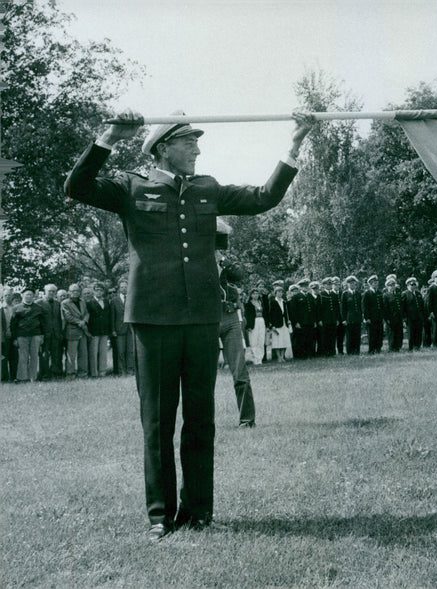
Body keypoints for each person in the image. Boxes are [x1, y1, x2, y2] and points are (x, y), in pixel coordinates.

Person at [64, 107, 313, 542]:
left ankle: (199, 513)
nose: (196, 148)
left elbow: (263, 197)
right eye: (187, 142)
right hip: (153, 320)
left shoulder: (207, 188)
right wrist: (110, 136)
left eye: (197, 142)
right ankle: (161, 515)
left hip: (201, 318)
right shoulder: (131, 186)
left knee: (200, 419)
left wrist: (295, 143)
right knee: (157, 421)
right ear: (162, 149)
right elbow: (77, 186)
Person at [216, 223, 256, 429]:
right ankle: (203, 422)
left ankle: (247, 420)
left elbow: (240, 275)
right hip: (206, 318)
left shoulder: (223, 262)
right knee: (202, 375)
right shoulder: (192, 259)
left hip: (230, 317)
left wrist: (222, 261)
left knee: (240, 371)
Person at [10, 289, 46, 382]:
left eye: (30, 295)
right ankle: (22, 378)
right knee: (23, 357)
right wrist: (15, 338)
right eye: (26, 295)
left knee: (34, 356)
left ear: (33, 296)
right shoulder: (16, 308)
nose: (28, 296)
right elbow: (13, 325)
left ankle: (33, 377)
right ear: (22, 296)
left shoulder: (38, 308)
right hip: (22, 335)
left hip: (36, 335)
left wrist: (42, 335)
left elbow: (43, 323)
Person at [61, 284, 89, 378]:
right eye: (73, 291)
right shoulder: (65, 303)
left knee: (83, 353)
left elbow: (86, 313)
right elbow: (67, 316)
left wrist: (84, 321)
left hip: (83, 330)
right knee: (71, 355)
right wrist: (79, 322)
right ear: (69, 292)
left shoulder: (82, 302)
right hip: (72, 331)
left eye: (77, 291)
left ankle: (83, 373)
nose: (75, 293)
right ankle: (70, 373)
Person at [86, 282, 112, 377]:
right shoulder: (89, 303)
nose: (99, 292)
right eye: (97, 290)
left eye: (101, 290)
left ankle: (102, 371)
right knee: (93, 352)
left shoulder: (106, 302)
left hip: (104, 330)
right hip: (94, 331)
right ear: (93, 291)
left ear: (103, 292)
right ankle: (94, 372)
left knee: (103, 352)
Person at [38, 284, 64, 379]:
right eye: (50, 291)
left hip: (56, 333)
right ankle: (44, 374)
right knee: (44, 355)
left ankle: (55, 373)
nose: (51, 293)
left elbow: (59, 319)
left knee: (56, 354)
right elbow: (38, 320)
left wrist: (60, 332)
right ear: (45, 291)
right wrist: (40, 334)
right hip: (44, 333)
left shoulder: (57, 303)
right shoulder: (39, 303)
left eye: (53, 291)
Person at [110, 279, 135, 376]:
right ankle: (122, 371)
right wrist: (113, 330)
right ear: (119, 288)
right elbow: (112, 316)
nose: (124, 289)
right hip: (119, 329)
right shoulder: (114, 300)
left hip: (130, 329)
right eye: (122, 287)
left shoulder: (132, 298)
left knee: (130, 351)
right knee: (120, 351)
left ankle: (130, 370)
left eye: (125, 287)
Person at [266, 282, 292, 361]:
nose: (280, 293)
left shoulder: (284, 302)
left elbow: (286, 313)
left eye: (281, 292)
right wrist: (272, 325)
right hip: (276, 324)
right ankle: (279, 357)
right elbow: (270, 314)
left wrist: (288, 321)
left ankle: (283, 356)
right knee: (277, 341)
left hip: (284, 323)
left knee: (284, 340)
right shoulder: (273, 302)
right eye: (278, 292)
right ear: (275, 293)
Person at [400, 277, 424, 350]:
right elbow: (402, 307)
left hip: (418, 317)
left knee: (418, 332)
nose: (413, 286)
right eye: (411, 284)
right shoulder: (405, 294)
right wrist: (404, 318)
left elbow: (422, 306)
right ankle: (411, 347)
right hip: (410, 317)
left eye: (414, 284)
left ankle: (417, 346)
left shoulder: (418, 293)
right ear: (407, 285)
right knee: (411, 333)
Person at [362, 274, 384, 354]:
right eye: (374, 283)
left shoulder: (379, 293)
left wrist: (382, 316)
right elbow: (365, 307)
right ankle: (371, 350)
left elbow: (381, 305)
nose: (376, 284)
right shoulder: (367, 294)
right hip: (371, 318)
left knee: (379, 334)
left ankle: (378, 349)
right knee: (372, 335)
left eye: (376, 282)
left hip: (379, 317)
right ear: (370, 284)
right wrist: (366, 318)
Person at [340, 276, 362, 354]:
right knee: (349, 336)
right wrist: (344, 319)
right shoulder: (345, 294)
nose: (352, 285)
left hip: (357, 318)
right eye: (350, 283)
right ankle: (350, 351)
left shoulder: (358, 293)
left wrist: (361, 317)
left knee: (357, 335)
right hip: (349, 318)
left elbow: (360, 306)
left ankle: (357, 350)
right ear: (347, 284)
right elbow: (343, 308)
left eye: (353, 283)